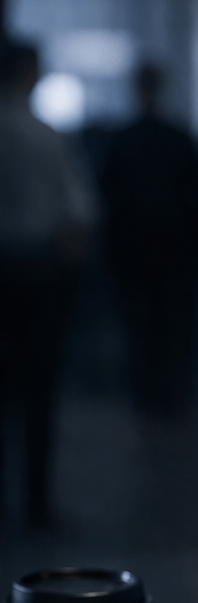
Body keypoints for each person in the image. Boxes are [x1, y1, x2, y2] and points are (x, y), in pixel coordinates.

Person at [0, 41, 96, 528]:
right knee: (38, 392)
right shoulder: (45, 136)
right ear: (29, 72)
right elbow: (76, 211)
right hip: (37, 272)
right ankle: (36, 505)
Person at [100, 64, 198, 417]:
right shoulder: (176, 138)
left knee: (141, 330)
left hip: (135, 252)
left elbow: (106, 198)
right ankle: (172, 401)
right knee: (172, 330)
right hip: (174, 251)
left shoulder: (122, 139)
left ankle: (146, 401)